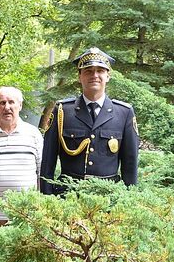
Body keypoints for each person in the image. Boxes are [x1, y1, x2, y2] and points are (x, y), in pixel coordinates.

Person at [40, 47, 138, 195]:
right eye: (88, 71)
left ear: (108, 76)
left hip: (108, 198)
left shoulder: (123, 113)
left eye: (100, 71)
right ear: (79, 77)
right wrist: (46, 200)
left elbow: (130, 164)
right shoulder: (62, 111)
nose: (95, 75)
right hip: (67, 196)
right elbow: (48, 161)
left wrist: (128, 202)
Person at [0, 87, 43, 238]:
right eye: (2, 103)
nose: (6, 107)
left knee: (24, 260)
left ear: (20, 105)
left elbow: (41, 173)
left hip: (24, 215)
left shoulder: (33, 134)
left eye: (11, 102)